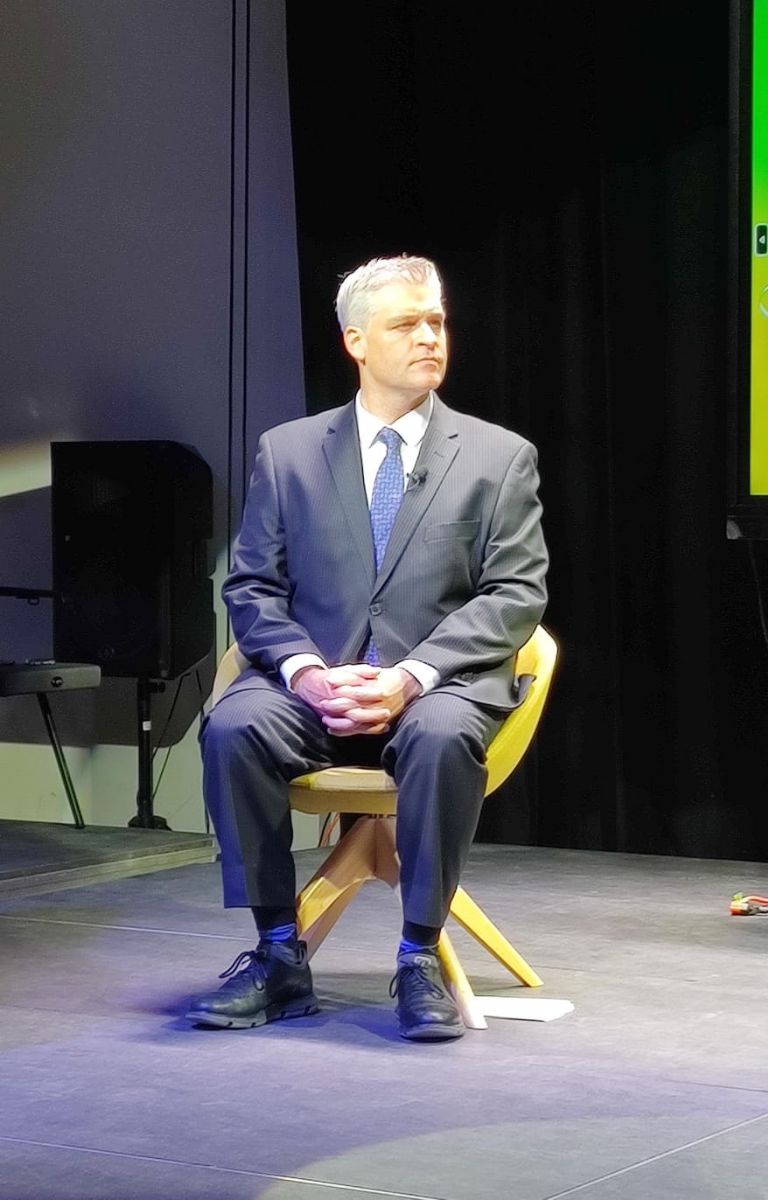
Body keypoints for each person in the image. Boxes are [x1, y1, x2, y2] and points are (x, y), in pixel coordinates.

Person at [187, 254, 549, 1041]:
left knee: (444, 735)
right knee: (233, 726)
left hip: (437, 688)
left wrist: (412, 676)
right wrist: (305, 672)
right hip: (315, 689)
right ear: (356, 340)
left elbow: (515, 594)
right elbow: (252, 588)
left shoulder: (498, 457)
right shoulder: (288, 453)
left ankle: (418, 956)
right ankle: (278, 953)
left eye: (437, 321)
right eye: (406, 324)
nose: (430, 337)